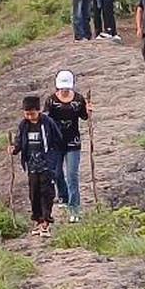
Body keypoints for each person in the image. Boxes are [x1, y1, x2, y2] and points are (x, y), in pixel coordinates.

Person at [10, 94, 64, 237]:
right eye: (26, 114)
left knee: (46, 193)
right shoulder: (23, 125)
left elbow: (58, 139)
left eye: (32, 113)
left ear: (38, 111)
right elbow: (19, 142)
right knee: (34, 193)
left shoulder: (48, 122)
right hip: (31, 165)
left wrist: (53, 158)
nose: (29, 116)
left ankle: (46, 221)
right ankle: (37, 220)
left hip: (47, 165)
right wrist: (14, 149)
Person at [44, 71, 90, 222]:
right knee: (57, 173)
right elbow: (46, 119)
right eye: (62, 88)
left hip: (73, 142)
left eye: (67, 88)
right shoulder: (51, 101)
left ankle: (74, 208)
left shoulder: (78, 99)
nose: (64, 90)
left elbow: (84, 116)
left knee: (72, 176)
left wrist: (88, 110)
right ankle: (63, 196)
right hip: (55, 143)